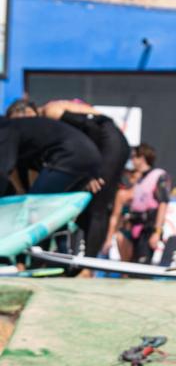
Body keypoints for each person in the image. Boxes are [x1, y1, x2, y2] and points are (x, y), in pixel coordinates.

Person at [40, 100, 131, 263]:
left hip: (108, 142)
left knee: (98, 206)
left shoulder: (50, 111)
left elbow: (92, 128)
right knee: (85, 209)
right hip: (105, 143)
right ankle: (73, 260)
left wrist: (93, 171)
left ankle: (89, 266)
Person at [0, 114, 102, 196]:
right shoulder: (19, 128)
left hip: (69, 155)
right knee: (53, 212)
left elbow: (3, 172)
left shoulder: (6, 130)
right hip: (89, 156)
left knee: (34, 206)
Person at [123, 143, 169, 264]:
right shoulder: (139, 179)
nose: (132, 161)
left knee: (142, 270)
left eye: (134, 157)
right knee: (131, 268)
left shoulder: (158, 175)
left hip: (149, 230)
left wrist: (157, 232)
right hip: (136, 230)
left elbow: (163, 204)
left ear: (142, 158)